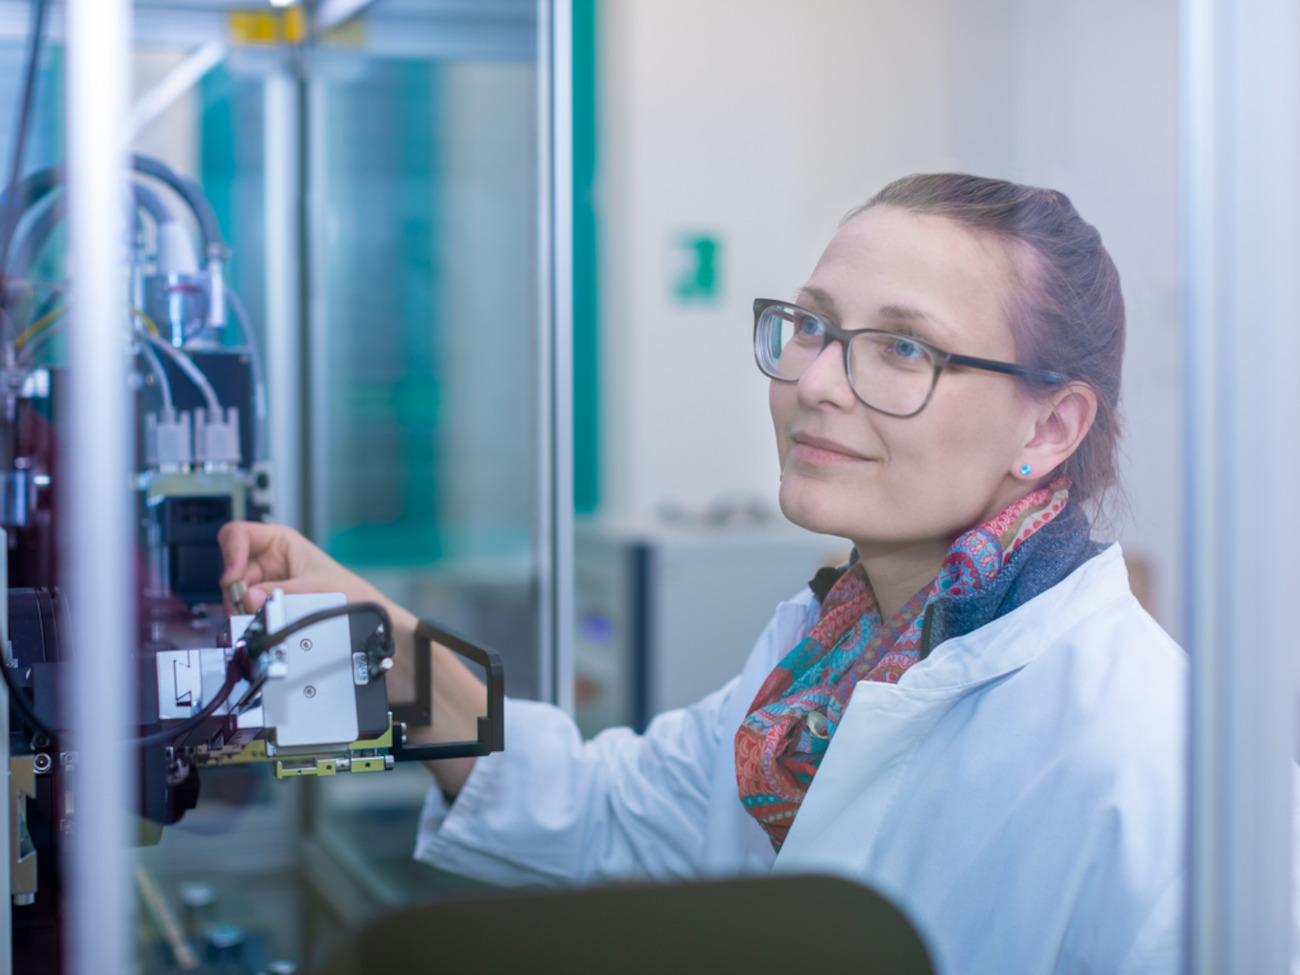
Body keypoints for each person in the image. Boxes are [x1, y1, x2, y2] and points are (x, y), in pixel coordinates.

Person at [219, 174, 1192, 973]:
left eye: (901, 348)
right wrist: (373, 631)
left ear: (1049, 427)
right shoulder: (821, 663)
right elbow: (598, 814)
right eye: (809, 326)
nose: (811, 382)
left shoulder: (1146, 754)